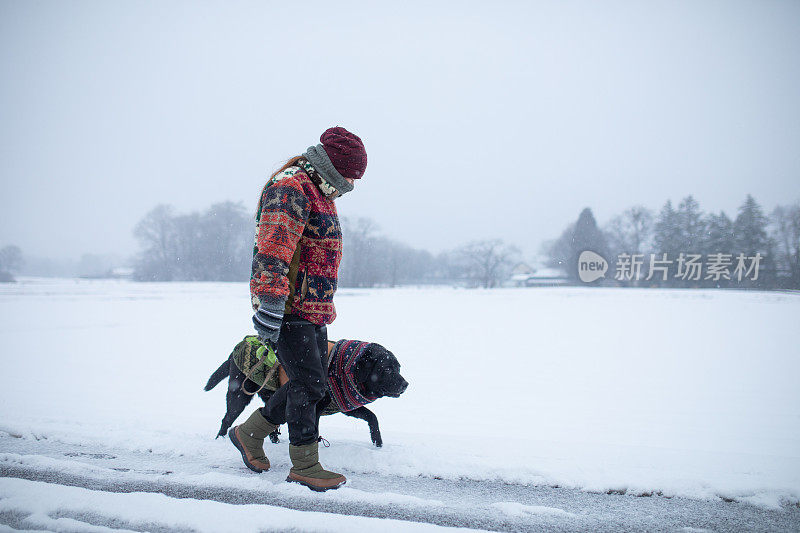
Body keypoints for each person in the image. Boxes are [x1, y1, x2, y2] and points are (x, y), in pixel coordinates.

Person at [229, 126, 367, 492]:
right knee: (308, 383)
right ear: (334, 166)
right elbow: (273, 249)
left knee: (313, 382)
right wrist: (271, 303)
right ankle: (305, 464)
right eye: (351, 174)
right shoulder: (291, 187)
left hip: (312, 307)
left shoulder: (320, 191)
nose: (353, 182)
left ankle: (250, 432)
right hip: (288, 306)